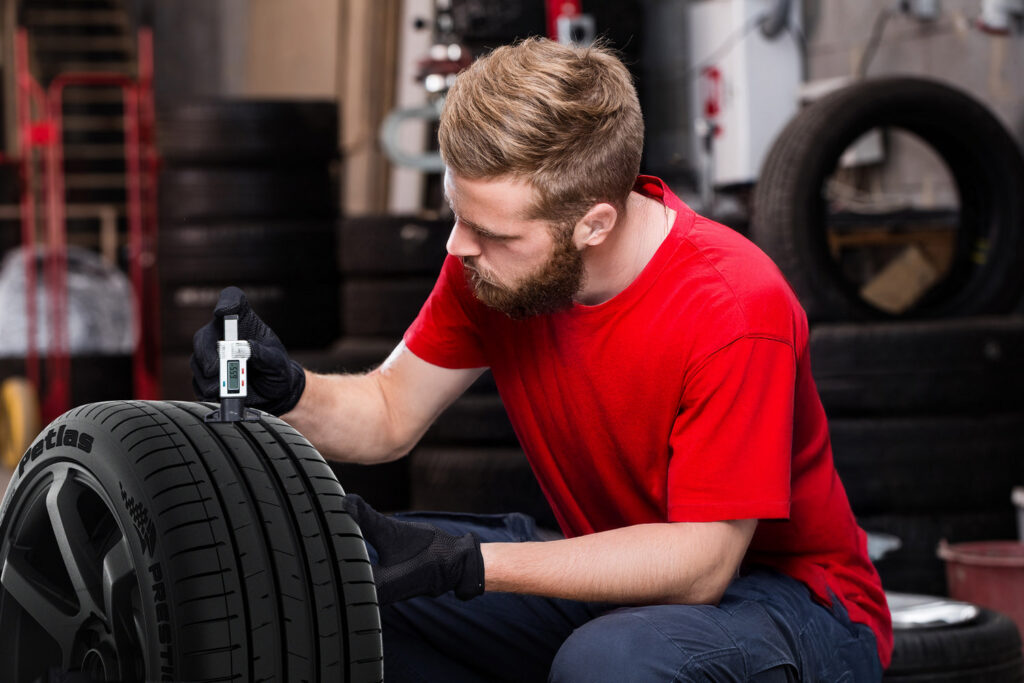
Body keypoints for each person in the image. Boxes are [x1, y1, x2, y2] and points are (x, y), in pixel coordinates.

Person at [192, 37, 892, 682]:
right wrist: (286, 389)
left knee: (613, 662)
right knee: (338, 578)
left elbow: (702, 566)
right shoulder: (492, 265)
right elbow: (387, 413)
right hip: (624, 571)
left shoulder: (734, 308)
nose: (457, 247)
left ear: (594, 223)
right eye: (456, 213)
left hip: (797, 602)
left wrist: (470, 564)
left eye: (493, 231)